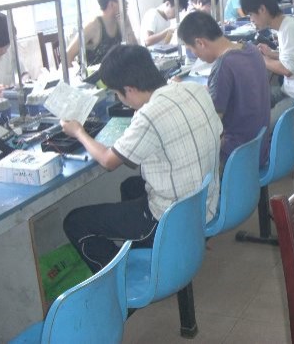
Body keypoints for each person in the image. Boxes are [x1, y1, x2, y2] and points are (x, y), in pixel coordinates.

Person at [62, 45, 222, 273]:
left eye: (118, 94)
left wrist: (78, 132)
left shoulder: (149, 115)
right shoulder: (193, 89)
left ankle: (118, 281)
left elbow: (108, 161)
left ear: (129, 89)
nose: (120, 99)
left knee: (75, 221)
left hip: (169, 220)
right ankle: (153, 258)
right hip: (204, 206)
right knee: (130, 186)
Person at [177, 11, 270, 167]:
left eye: (192, 50)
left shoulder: (224, 66)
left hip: (237, 156)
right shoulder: (251, 50)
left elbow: (212, 121)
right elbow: (231, 91)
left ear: (200, 43)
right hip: (259, 148)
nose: (196, 55)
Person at [66, 0, 137, 66]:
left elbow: (136, 51)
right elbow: (67, 56)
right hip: (96, 72)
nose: (126, 3)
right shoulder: (93, 26)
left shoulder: (121, 21)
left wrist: (127, 26)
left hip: (115, 71)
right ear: (112, 4)